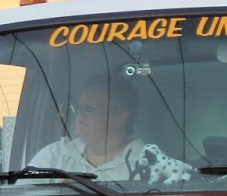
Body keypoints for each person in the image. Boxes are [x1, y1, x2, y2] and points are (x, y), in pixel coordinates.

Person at [28, 74, 192, 185]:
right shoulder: (54, 156)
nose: (80, 114)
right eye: (79, 108)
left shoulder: (151, 164)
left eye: (90, 107)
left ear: (121, 116)